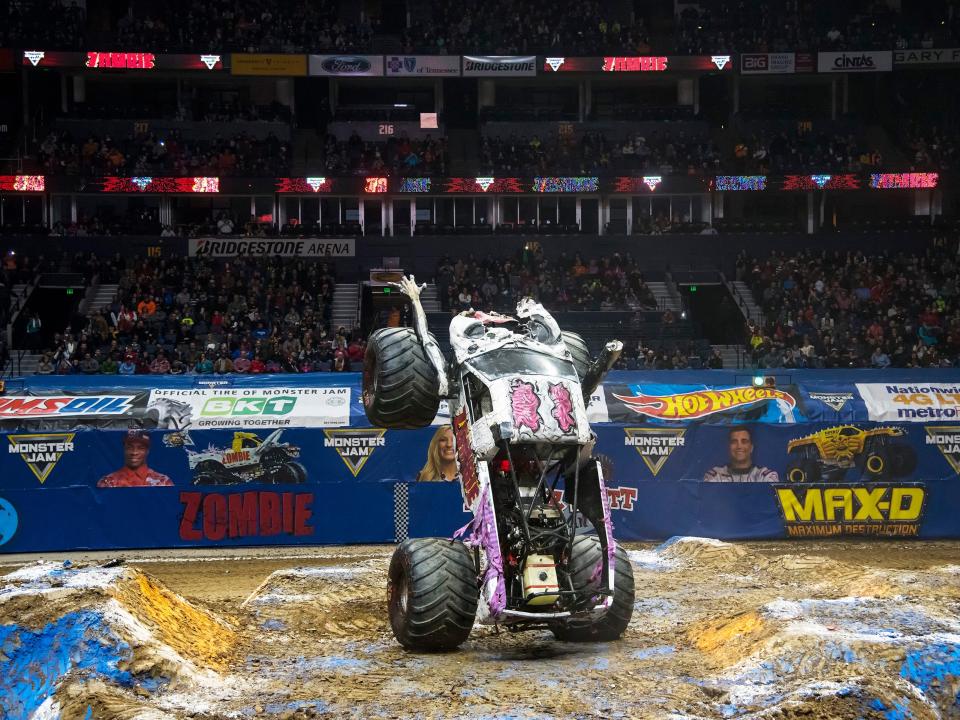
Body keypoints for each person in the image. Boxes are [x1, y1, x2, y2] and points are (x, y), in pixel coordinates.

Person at [97, 431, 173, 487]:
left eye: (141, 448)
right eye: (129, 447)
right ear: (124, 449)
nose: (134, 452)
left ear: (147, 451)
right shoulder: (108, 482)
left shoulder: (163, 482)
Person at [703, 427, 779, 482]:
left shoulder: (764, 475)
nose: (739, 446)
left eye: (744, 441)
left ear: (751, 447)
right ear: (729, 447)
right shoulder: (716, 475)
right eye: (734, 442)